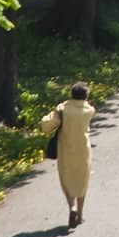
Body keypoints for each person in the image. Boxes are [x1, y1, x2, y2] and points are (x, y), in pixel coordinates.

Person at [40, 81, 95, 228]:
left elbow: (46, 126)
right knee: (82, 181)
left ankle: (72, 208)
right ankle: (80, 215)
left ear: (72, 94)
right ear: (85, 96)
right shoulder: (89, 110)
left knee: (67, 180)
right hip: (83, 149)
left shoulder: (63, 109)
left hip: (65, 150)